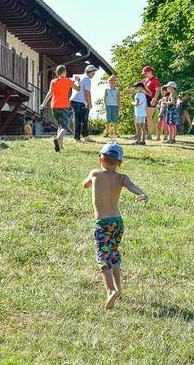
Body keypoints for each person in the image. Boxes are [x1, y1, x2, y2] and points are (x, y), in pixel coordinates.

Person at [82, 143, 147, 310]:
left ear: (100, 159)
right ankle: (119, 288)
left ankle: (111, 290)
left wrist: (92, 181)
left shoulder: (95, 174)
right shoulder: (121, 178)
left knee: (103, 256)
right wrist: (142, 194)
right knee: (114, 253)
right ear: (119, 163)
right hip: (117, 223)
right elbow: (133, 187)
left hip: (103, 224)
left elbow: (85, 185)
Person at [39, 65, 80, 152]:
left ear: (57, 73)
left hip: (54, 106)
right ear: (64, 72)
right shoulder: (68, 81)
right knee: (65, 127)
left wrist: (43, 104)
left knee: (59, 126)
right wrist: (78, 81)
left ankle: (60, 147)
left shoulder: (53, 81)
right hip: (63, 106)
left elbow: (50, 93)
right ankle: (57, 139)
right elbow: (78, 89)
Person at [70, 64, 96, 143]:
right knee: (79, 120)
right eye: (93, 72)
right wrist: (90, 103)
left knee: (83, 120)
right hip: (79, 101)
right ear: (89, 72)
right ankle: (77, 138)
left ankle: (86, 137)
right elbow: (87, 92)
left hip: (75, 100)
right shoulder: (87, 79)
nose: (94, 74)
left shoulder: (80, 77)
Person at [140, 66, 161, 140]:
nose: (144, 74)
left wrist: (154, 99)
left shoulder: (155, 80)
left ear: (150, 72)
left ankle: (149, 134)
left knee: (149, 117)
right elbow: (138, 87)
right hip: (143, 100)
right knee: (141, 116)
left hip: (151, 100)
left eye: (145, 73)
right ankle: (140, 133)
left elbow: (158, 90)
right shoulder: (145, 80)